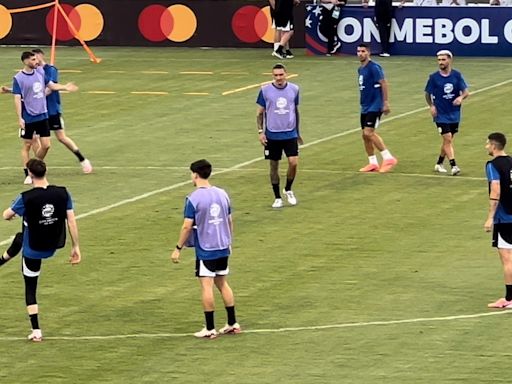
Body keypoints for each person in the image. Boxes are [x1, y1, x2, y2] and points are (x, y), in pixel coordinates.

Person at [2, 158, 81, 342]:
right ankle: (1, 260)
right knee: (19, 237)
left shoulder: (26, 197)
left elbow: (6, 215)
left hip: (33, 250)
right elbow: (71, 221)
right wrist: (75, 246)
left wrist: (14, 213)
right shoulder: (63, 193)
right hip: (53, 245)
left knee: (30, 287)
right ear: (46, 171)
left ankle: (36, 330)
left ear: (30, 173)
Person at [171, 159, 240, 339]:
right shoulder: (222, 194)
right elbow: (229, 220)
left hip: (206, 249)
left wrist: (178, 248)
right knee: (222, 283)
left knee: (206, 285)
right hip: (223, 246)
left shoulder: (193, 198)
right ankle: (232, 323)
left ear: (195, 174)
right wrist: (228, 240)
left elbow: (187, 226)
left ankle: (210, 328)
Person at [12, 51, 78, 184]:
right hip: (29, 116)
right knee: (27, 145)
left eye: (36, 59)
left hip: (42, 114)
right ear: (25, 61)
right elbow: (17, 99)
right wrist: (20, 118)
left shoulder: (41, 73)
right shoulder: (18, 78)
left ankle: (33, 168)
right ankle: (28, 173)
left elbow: (51, 85)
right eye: (33, 60)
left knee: (46, 145)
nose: (36, 62)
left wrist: (64, 87)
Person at [32, 49, 92, 174]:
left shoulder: (51, 70)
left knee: (61, 137)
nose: (34, 60)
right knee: (35, 138)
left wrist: (38, 95)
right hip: (38, 111)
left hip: (52, 109)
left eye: (35, 57)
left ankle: (82, 159)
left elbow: (50, 88)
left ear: (41, 56)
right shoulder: (32, 72)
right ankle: (37, 166)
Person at [256, 63, 302, 207]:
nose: (278, 78)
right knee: (273, 165)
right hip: (272, 134)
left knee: (293, 163)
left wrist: (298, 132)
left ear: (286, 74)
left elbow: (295, 111)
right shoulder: (265, 90)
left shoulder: (294, 89)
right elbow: (260, 113)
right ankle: (277, 197)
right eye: (276, 75)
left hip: (290, 133)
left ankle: (288, 189)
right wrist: (260, 132)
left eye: (281, 75)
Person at [425, 50, 469, 176]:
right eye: (439, 60)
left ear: (450, 60)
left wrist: (461, 98)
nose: (440, 62)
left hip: (454, 113)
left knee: (447, 141)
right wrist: (431, 105)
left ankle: (439, 163)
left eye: (443, 60)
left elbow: (466, 92)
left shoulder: (456, 75)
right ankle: (454, 166)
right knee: (447, 138)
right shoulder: (434, 78)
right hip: (440, 114)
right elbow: (428, 94)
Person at [356, 44, 397, 173]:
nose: (360, 54)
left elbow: (383, 83)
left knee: (369, 132)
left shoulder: (374, 67)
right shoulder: (360, 69)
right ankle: (372, 162)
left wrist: (385, 102)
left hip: (375, 104)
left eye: (363, 51)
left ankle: (388, 157)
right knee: (365, 135)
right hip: (365, 105)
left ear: (368, 53)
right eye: (358, 51)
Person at [484, 133, 512, 309]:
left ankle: (509, 299)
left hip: (505, 217)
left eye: (487, 144)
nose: (486, 147)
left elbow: (496, 190)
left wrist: (490, 218)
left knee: (507, 258)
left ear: (494, 146)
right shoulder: (511, 161)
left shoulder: (492, 165)